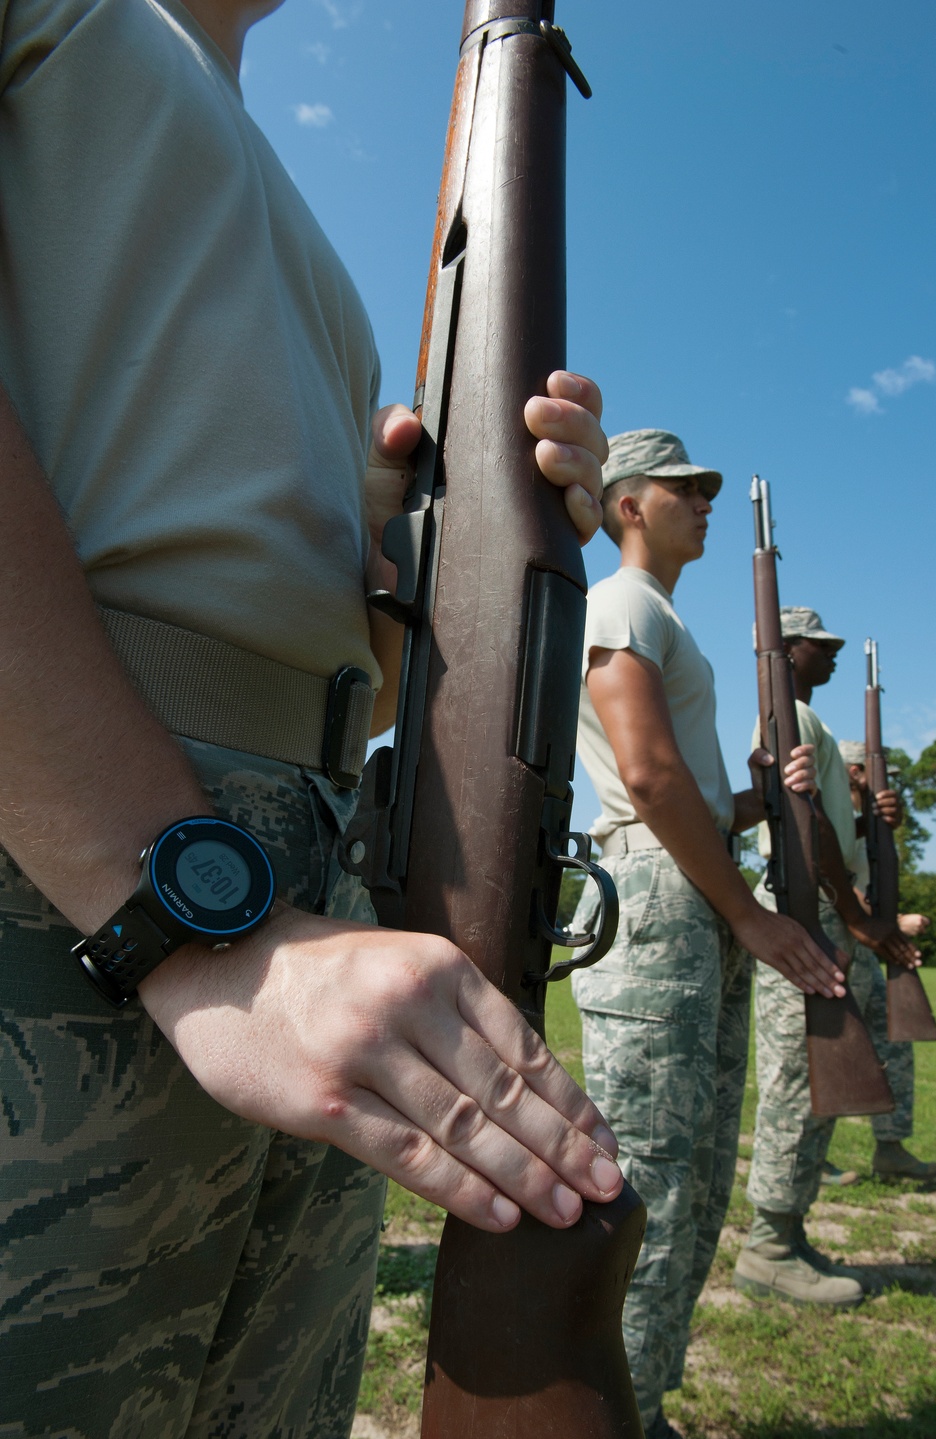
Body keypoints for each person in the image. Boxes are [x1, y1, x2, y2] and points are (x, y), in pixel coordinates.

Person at [0, 2, 623, 1434]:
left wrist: (463, 554)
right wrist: (182, 909)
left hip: (307, 903)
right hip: (99, 870)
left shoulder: (301, 232)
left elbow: (364, 668)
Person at [570, 431, 846, 1439]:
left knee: (694, 1171)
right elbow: (644, 777)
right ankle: (606, 1412)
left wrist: (760, 798)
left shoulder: (660, 614)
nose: (705, 502)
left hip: (691, 879)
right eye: (686, 489)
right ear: (628, 503)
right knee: (647, 1170)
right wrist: (747, 909)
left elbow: (683, 786)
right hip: (667, 892)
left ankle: (639, 1405)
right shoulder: (622, 602)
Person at [735, 608, 922, 1309]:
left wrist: (879, 816)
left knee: (819, 1083)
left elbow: (834, 828)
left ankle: (791, 1230)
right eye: (824, 645)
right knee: (796, 1078)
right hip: (802, 905)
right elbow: (802, 824)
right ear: (789, 650)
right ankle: (769, 1245)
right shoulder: (784, 721)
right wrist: (850, 913)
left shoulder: (811, 724)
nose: (835, 656)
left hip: (822, 904)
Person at [835, 740, 936, 1182]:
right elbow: (832, 876)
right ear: (856, 772)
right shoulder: (833, 818)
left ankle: (891, 1148)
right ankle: (808, 1161)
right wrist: (894, 923)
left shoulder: (861, 825)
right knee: (818, 1056)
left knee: (893, 1042)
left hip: (864, 948)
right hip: (841, 941)